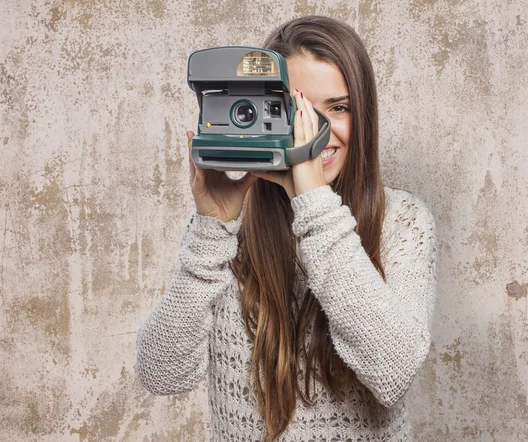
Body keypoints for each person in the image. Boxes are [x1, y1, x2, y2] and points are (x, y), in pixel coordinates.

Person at [136, 15, 438, 442]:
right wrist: (212, 228)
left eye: (338, 108)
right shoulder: (226, 229)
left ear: (364, 115)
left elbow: (395, 370)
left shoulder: (404, 222)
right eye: (295, 108)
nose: (314, 129)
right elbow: (161, 375)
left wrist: (312, 200)